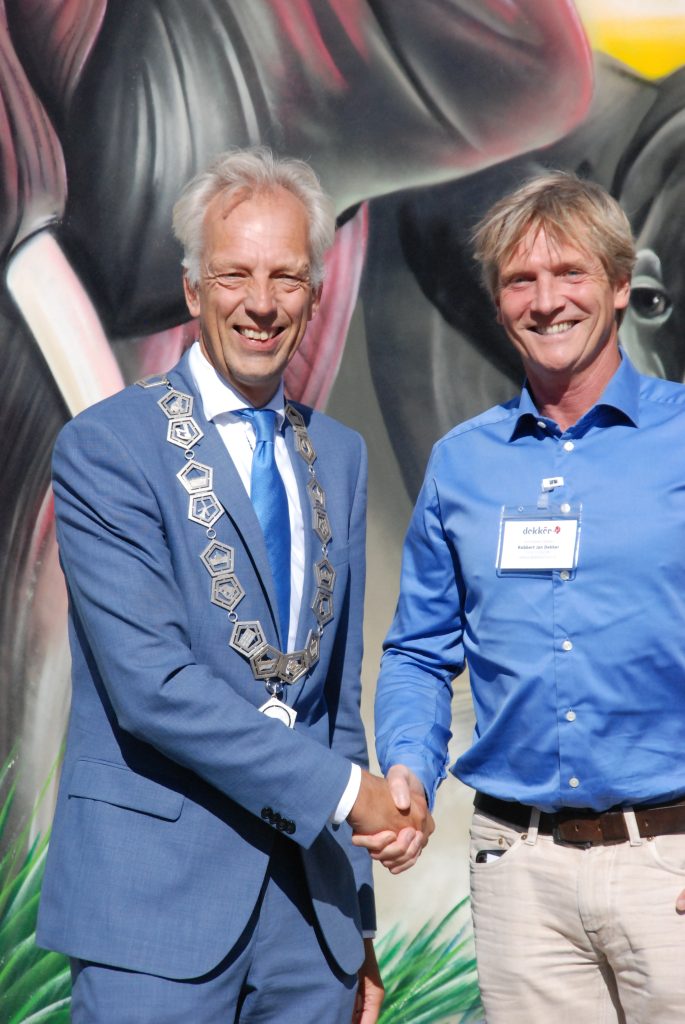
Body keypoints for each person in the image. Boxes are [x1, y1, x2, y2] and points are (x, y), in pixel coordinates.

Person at [36, 147, 432, 1024]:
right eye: (235, 275)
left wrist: (356, 914)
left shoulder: (340, 453)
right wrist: (346, 795)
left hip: (308, 928)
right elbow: (154, 689)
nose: (261, 303)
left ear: (316, 295)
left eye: (287, 276)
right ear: (192, 290)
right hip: (152, 917)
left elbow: (337, 704)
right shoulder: (108, 448)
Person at [372, 172, 685, 1022]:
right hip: (517, 872)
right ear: (497, 302)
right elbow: (415, 651)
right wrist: (409, 764)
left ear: (620, 285)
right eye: (520, 280)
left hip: (671, 863)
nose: (546, 302)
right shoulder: (462, 464)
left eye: (570, 274)